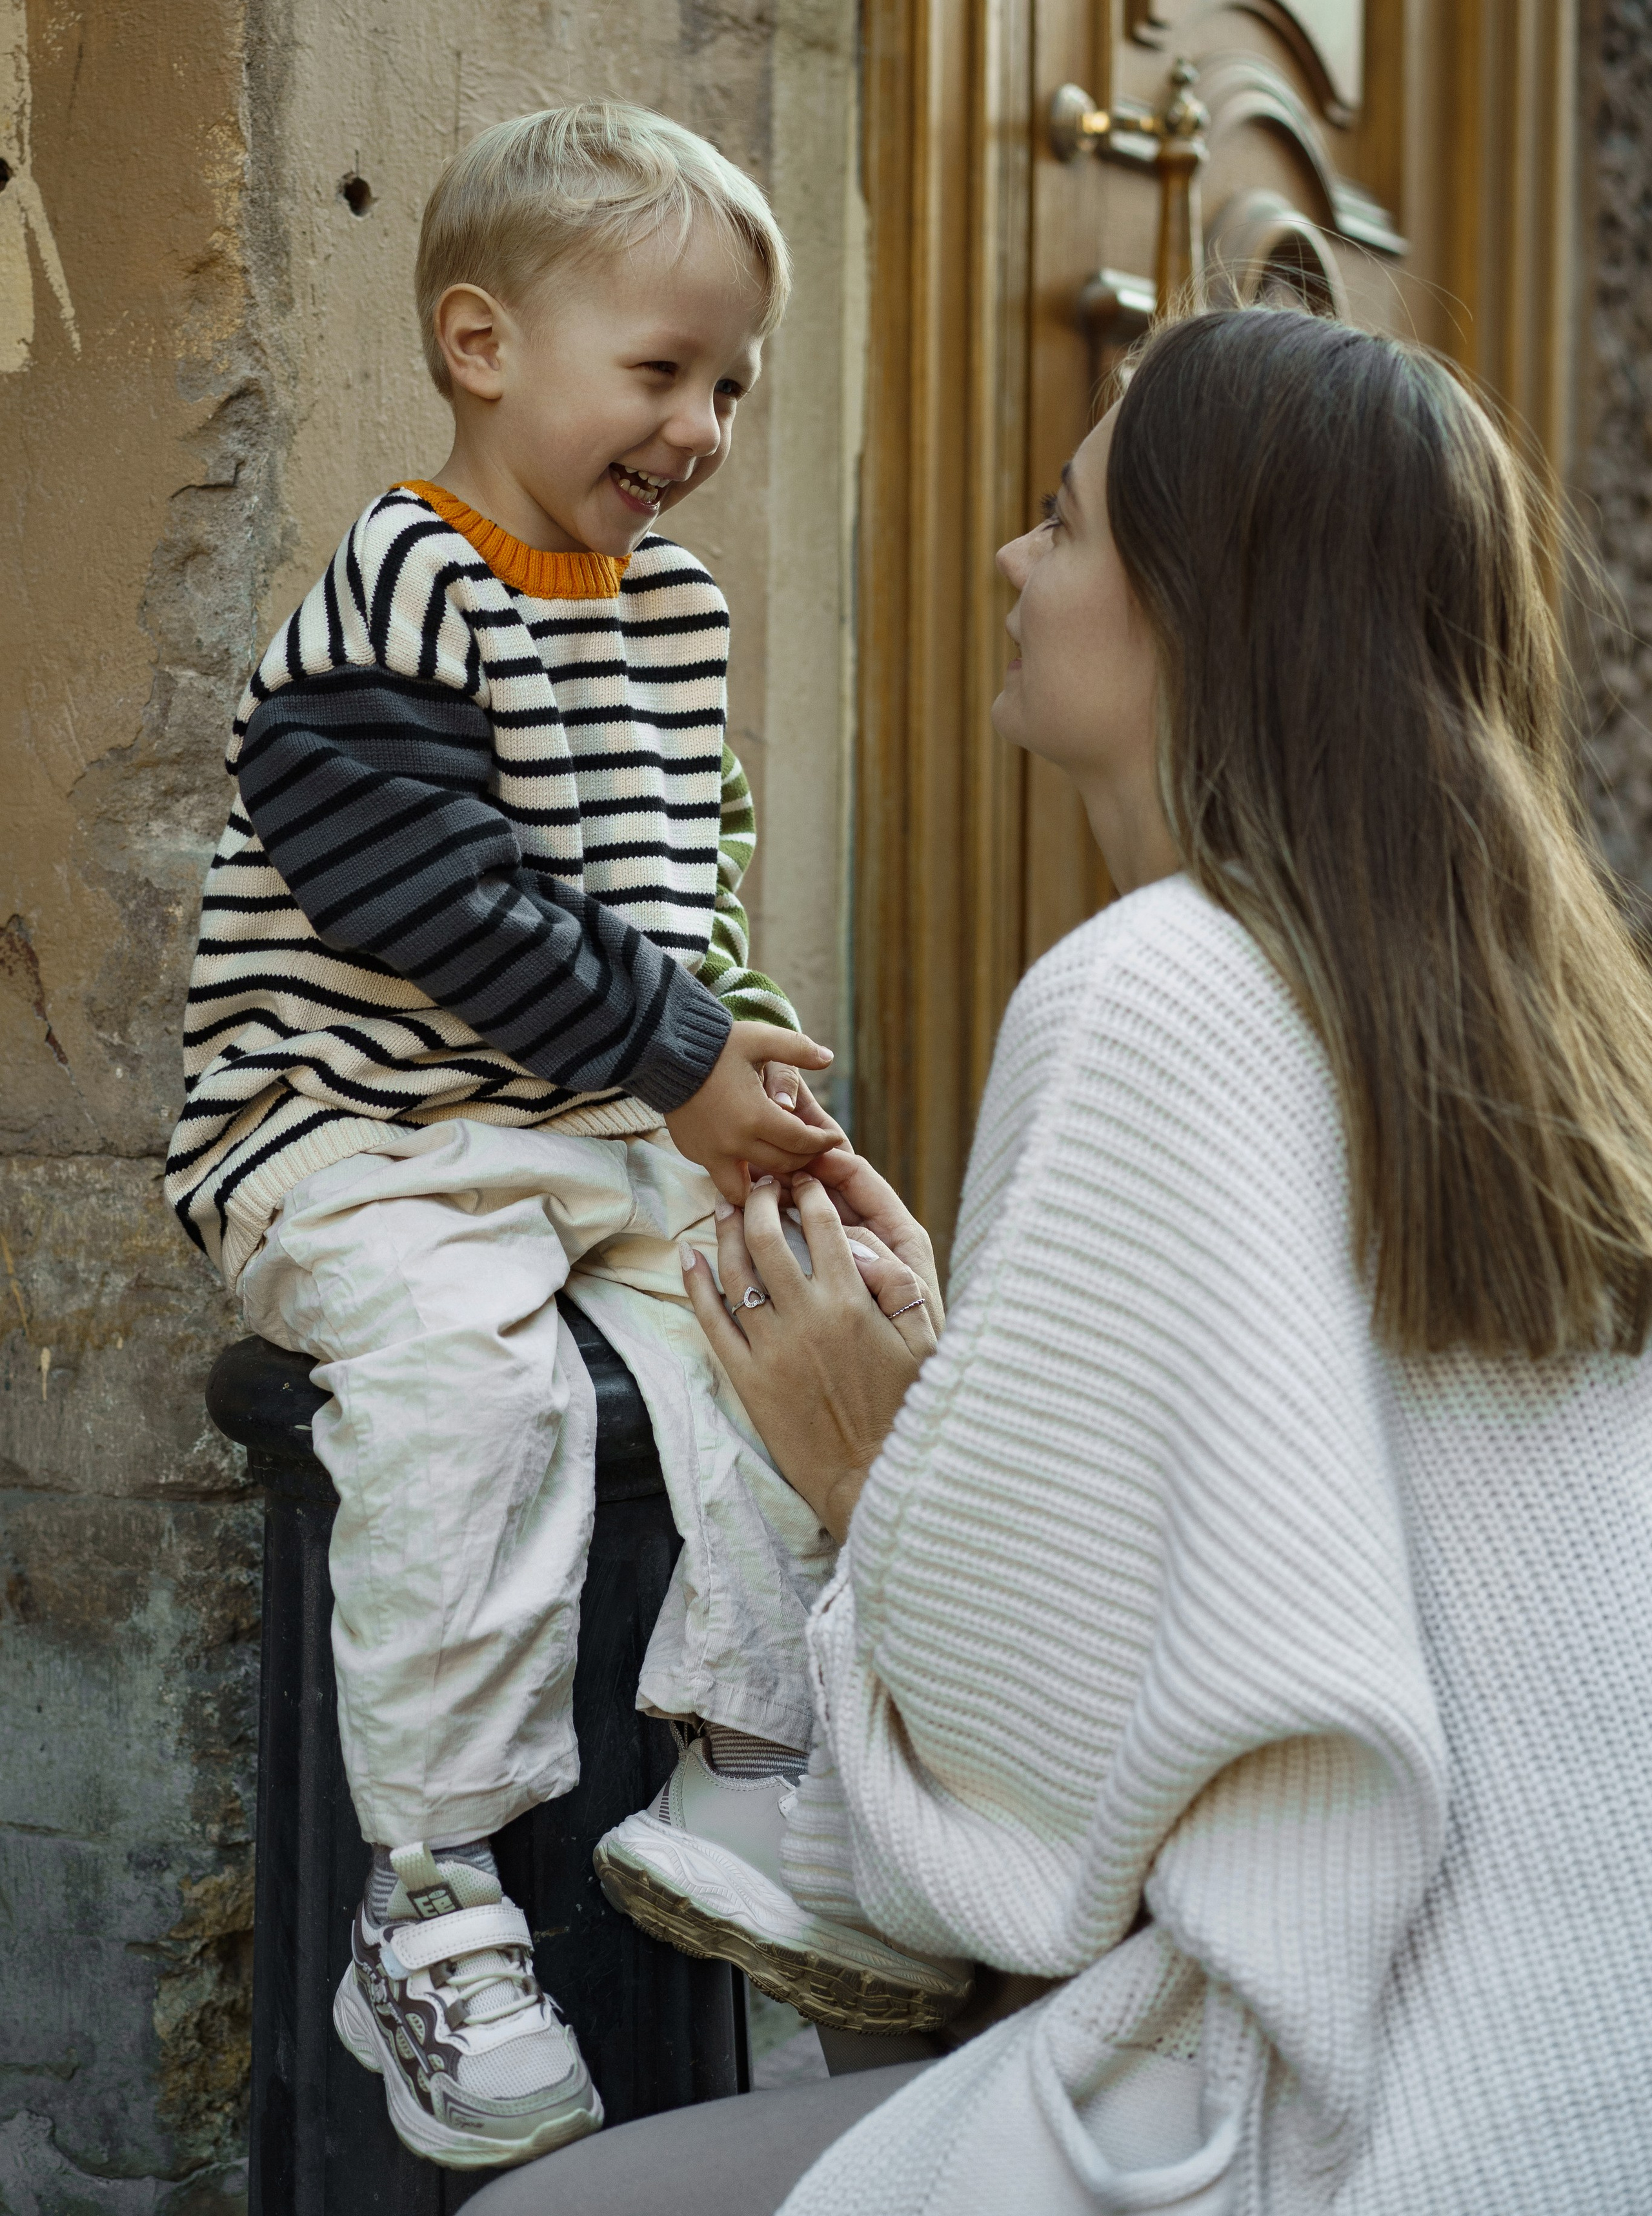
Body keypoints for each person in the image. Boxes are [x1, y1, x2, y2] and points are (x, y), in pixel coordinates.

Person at [472, 305, 1652, 2215]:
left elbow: (1057, 1813)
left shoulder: (1154, 987)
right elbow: (1297, 1583)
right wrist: (969, 1415)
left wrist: (863, 1465)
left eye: (1064, 519)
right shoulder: (1543, 1035)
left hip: (1315, 2128)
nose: (1016, 563)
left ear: (1200, 603)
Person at [163, 101, 956, 2175]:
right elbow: (412, 879)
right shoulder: (402, 583)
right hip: (346, 1133)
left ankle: (741, 1769)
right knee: (469, 1388)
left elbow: (683, 886)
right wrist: (668, 1048)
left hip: (564, 1121)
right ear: (484, 344)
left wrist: (738, 1043)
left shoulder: (670, 613)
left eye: (732, 383)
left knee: (762, 1329)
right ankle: (426, 1895)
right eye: (661, 367)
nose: (700, 423)